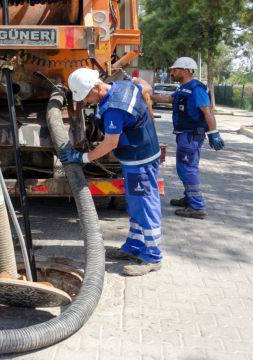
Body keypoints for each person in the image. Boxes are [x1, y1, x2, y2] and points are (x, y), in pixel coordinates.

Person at [62, 68, 163, 276]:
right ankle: (134, 246)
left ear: (97, 87)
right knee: (135, 202)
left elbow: (110, 143)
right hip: (136, 157)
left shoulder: (114, 108)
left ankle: (153, 256)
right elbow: (146, 85)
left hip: (139, 160)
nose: (87, 102)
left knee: (144, 203)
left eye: (88, 96)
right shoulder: (123, 86)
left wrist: (83, 158)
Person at [150, 57, 225, 219]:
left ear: (185, 70)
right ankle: (189, 198)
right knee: (184, 168)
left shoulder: (196, 88)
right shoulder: (183, 88)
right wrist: (149, 96)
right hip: (184, 134)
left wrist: (214, 133)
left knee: (187, 169)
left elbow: (207, 112)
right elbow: (169, 99)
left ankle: (197, 206)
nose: (172, 72)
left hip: (191, 135)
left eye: (175, 70)